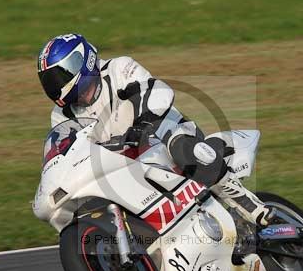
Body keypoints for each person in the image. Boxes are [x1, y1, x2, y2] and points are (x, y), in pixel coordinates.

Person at [36, 33, 272, 227]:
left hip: (162, 136)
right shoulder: (61, 115)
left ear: (82, 60)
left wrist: (139, 129)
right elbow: (69, 152)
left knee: (178, 145)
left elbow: (156, 93)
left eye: (60, 76)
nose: (58, 85)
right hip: (121, 164)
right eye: (51, 82)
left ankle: (247, 204)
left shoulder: (118, 69)